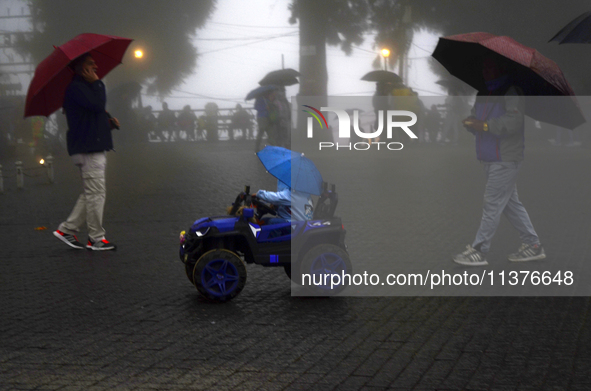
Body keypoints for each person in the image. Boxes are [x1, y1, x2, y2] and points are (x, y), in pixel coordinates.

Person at [453, 56, 545, 266]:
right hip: (488, 157)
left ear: (501, 68)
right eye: (483, 66)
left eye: (489, 66)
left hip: (505, 158)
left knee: (492, 203)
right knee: (510, 204)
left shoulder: (512, 91)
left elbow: (513, 121)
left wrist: (483, 126)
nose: (485, 70)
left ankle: (479, 250)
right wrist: (470, 123)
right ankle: (533, 245)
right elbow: (477, 118)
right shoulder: (483, 92)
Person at [53, 53, 119, 251]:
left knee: (90, 193)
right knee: (96, 193)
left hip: (90, 146)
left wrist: (109, 125)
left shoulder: (82, 89)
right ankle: (96, 238)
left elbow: (90, 118)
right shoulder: (77, 88)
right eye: (91, 64)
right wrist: (99, 84)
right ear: (82, 68)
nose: (96, 67)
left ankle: (67, 229)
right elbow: (97, 105)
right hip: (88, 150)